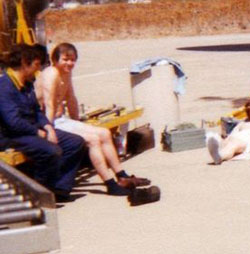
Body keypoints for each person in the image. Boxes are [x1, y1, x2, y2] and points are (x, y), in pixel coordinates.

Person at [41, 42, 152, 196]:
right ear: (55, 60)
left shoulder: (66, 73)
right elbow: (48, 105)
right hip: (46, 122)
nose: (70, 63)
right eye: (65, 59)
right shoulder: (51, 74)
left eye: (72, 60)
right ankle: (110, 184)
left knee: (104, 133)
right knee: (92, 139)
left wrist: (77, 122)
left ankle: (122, 176)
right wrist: (48, 129)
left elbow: (71, 98)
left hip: (60, 120)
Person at [0, 44, 85, 201]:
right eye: (36, 64)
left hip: (31, 130)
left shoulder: (26, 84)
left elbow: (37, 111)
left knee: (75, 143)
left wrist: (48, 127)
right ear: (25, 63)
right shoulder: (4, 86)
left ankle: (59, 188)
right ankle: (38, 195)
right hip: (12, 136)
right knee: (50, 151)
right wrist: (39, 133)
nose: (38, 69)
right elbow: (13, 122)